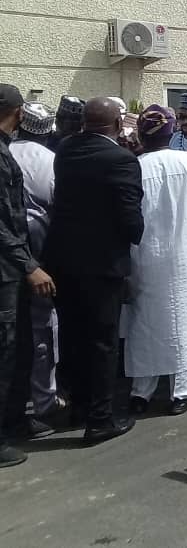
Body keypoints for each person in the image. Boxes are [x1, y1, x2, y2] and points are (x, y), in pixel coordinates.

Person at [46, 97, 143, 444]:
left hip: (63, 260)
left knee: (73, 337)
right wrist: (135, 233)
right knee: (102, 342)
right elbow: (129, 214)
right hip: (102, 264)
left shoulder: (66, 149)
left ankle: (79, 407)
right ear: (118, 125)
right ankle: (100, 419)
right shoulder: (121, 159)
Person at [124, 107, 187, 416]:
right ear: (173, 132)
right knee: (184, 321)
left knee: (145, 323)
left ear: (142, 135)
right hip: (183, 258)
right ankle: (181, 393)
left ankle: (141, 393)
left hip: (145, 256)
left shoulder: (134, 166)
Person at [0, 87, 57, 467]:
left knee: (19, 345)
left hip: (13, 266)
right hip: (7, 268)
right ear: (18, 113)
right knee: (4, 349)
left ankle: (17, 418)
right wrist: (29, 264)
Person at [10, 103, 60, 429]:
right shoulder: (48, 161)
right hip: (36, 250)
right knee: (42, 325)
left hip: (11, 253)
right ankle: (44, 401)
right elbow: (57, 201)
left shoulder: (6, 151)